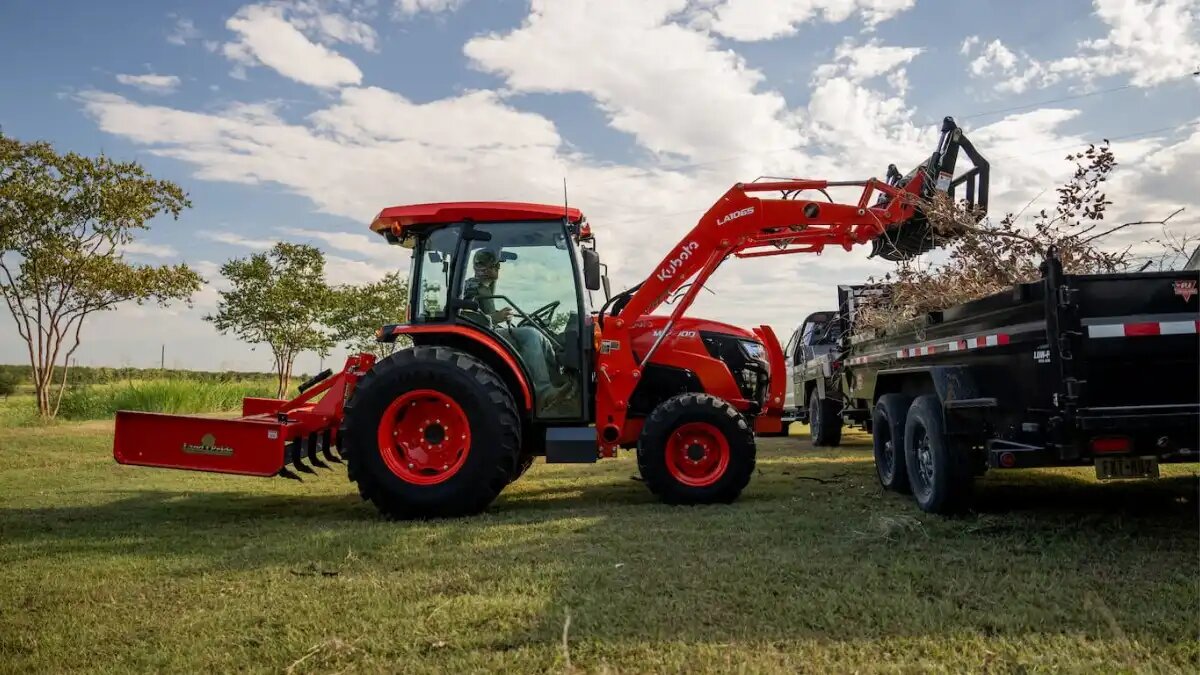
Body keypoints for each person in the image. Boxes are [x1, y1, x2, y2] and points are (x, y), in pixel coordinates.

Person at [462, 249, 573, 413]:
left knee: (541, 336)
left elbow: (482, 313)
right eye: (495, 266)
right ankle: (543, 392)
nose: (498, 269)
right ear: (485, 268)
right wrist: (496, 317)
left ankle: (557, 384)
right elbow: (466, 317)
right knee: (530, 335)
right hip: (482, 335)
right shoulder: (472, 288)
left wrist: (497, 317)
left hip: (490, 330)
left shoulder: (485, 288)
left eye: (497, 266)